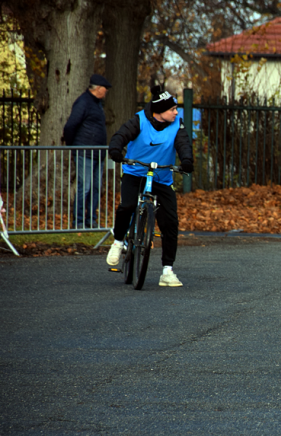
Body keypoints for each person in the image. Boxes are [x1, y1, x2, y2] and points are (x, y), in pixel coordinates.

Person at [106, 85, 194, 287]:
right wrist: (116, 150)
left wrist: (187, 160)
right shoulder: (140, 120)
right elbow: (121, 136)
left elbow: (183, 144)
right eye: (172, 109)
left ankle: (167, 271)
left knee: (170, 223)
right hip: (135, 173)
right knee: (127, 206)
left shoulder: (177, 124)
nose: (176, 112)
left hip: (161, 177)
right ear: (160, 111)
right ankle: (118, 242)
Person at [63, 74, 112, 229]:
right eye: (105, 88)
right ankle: (78, 222)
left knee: (96, 188)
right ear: (97, 88)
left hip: (98, 153)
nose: (107, 91)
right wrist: (74, 147)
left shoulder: (97, 104)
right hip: (85, 152)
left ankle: (91, 220)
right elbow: (70, 126)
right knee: (85, 187)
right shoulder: (83, 102)